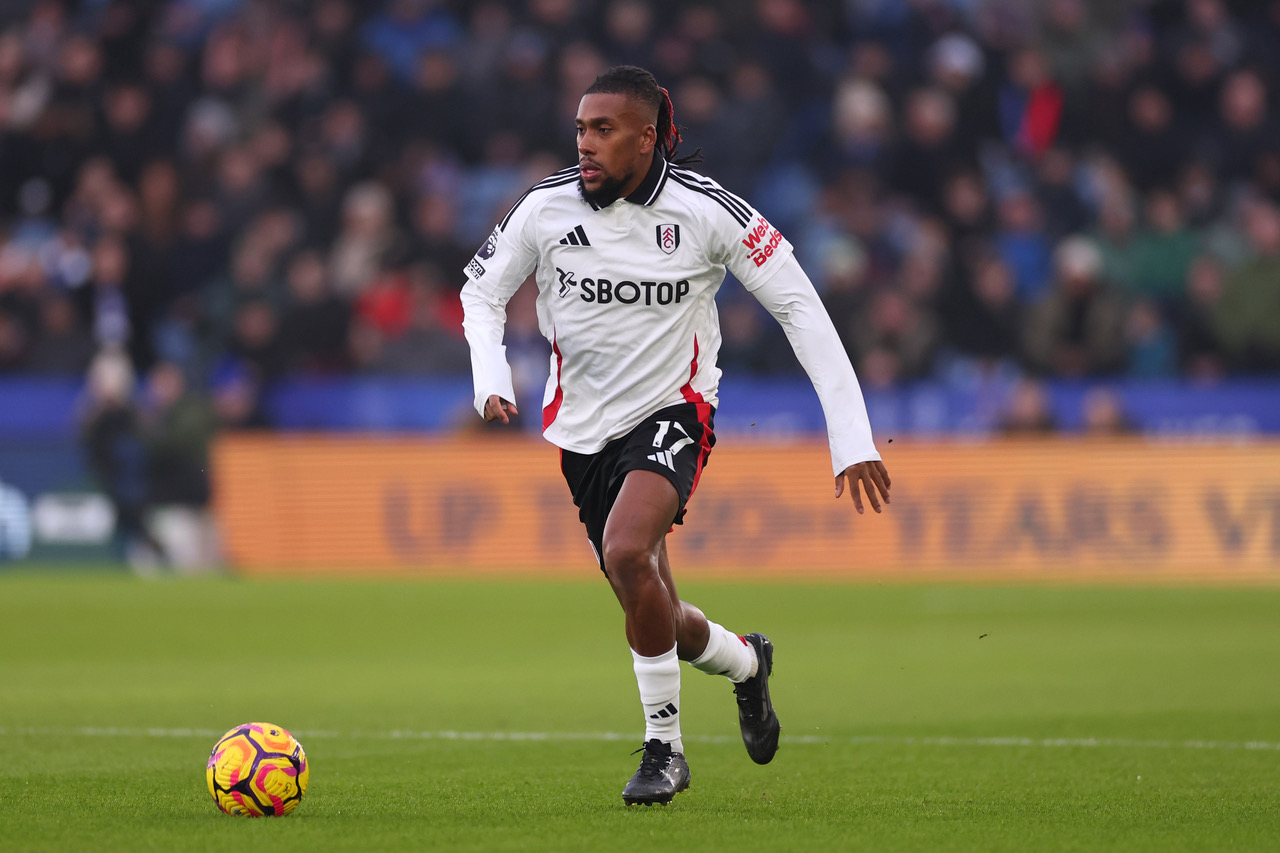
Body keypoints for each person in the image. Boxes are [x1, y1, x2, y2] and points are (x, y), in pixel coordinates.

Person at [460, 66, 891, 806]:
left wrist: (852, 436)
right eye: (580, 128)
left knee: (628, 551)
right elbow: (481, 291)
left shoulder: (706, 211)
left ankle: (665, 748)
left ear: (646, 138)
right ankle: (747, 663)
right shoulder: (544, 206)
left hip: (674, 411)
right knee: (652, 602)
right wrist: (489, 372)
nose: (584, 143)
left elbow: (800, 308)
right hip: (581, 431)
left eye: (603, 130)